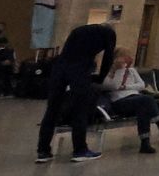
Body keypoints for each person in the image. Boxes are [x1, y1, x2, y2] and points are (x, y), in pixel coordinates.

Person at [36, 21, 117, 163]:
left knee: (52, 110)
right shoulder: (109, 33)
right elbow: (108, 57)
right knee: (80, 109)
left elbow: (68, 50)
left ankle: (43, 151)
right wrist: (101, 77)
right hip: (79, 70)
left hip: (60, 68)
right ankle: (80, 150)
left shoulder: (79, 30)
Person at [100, 53, 159, 154]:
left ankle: (145, 143)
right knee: (147, 100)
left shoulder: (131, 71)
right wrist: (119, 70)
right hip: (119, 102)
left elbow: (141, 85)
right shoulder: (106, 73)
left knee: (143, 108)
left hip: (136, 99)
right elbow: (114, 86)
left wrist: (126, 87)